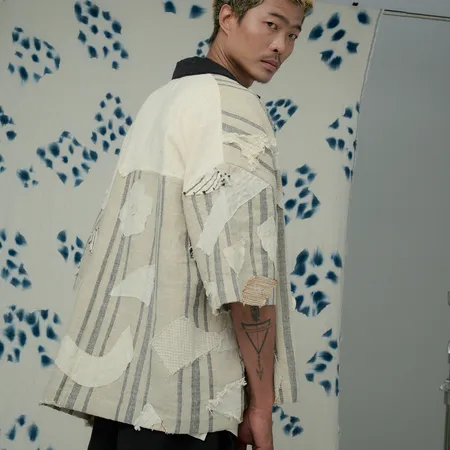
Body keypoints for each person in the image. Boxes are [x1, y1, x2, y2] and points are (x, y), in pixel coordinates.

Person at [41, 0, 313, 449]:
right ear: (227, 17)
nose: (280, 46)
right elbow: (246, 274)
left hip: (129, 400)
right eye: (271, 24)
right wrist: (261, 405)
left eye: (293, 35)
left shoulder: (163, 101)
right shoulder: (231, 104)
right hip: (189, 406)